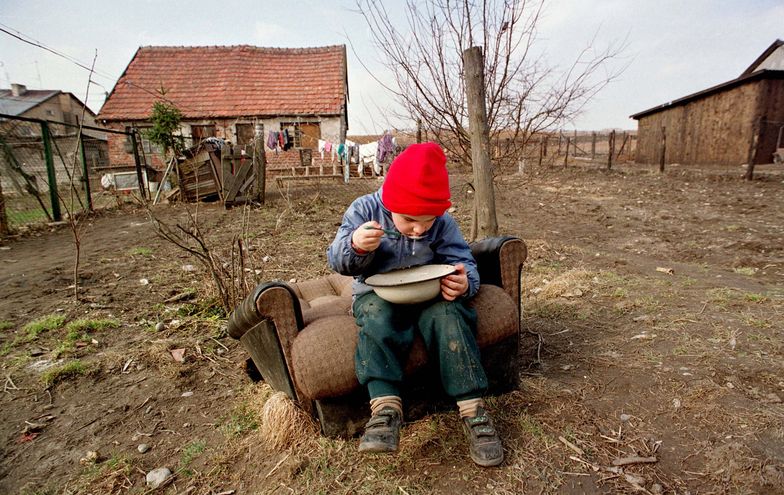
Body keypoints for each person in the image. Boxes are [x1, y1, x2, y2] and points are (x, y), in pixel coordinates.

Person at [326, 142, 503, 467]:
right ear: (390, 203)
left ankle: (472, 408)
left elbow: (463, 260)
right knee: (377, 317)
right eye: (409, 220)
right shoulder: (365, 211)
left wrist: (465, 282)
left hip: (428, 295)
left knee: (451, 314)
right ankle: (385, 410)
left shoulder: (442, 224)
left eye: (429, 220)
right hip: (376, 294)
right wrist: (355, 246)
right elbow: (336, 259)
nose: (420, 229)